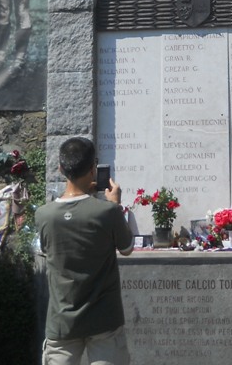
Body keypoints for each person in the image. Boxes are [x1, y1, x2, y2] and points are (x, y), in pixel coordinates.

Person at [35, 137, 133, 365]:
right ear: (93, 168)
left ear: (61, 168)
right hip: (104, 320)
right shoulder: (107, 212)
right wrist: (115, 205)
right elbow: (127, 248)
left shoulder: (44, 214)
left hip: (62, 321)